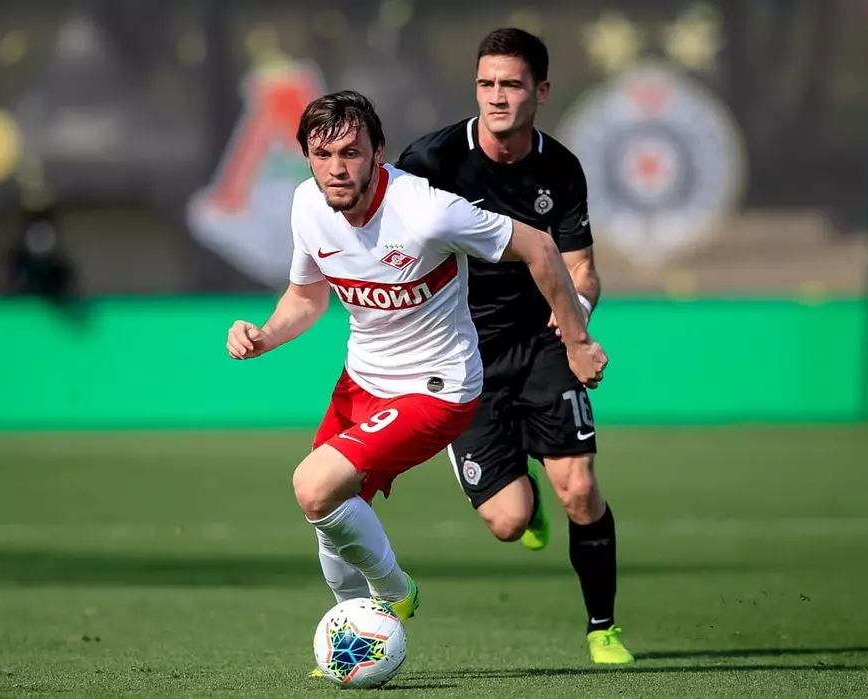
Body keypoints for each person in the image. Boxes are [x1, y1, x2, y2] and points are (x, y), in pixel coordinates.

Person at [225, 90, 607, 661]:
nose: (336, 168)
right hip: (363, 380)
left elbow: (541, 248)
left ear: (378, 152)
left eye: (351, 152)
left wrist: (576, 341)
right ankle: (353, 645)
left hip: (438, 388)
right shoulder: (307, 204)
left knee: (313, 484)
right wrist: (264, 336)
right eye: (322, 154)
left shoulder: (428, 212)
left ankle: (395, 594)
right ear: (307, 157)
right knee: (328, 516)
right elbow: (305, 297)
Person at [395, 28, 634, 664]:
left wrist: (576, 317)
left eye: (511, 84)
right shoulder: (432, 162)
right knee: (508, 521)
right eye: (486, 84)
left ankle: (603, 628)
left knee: (579, 487)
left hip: (542, 343)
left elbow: (582, 269)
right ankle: (521, 493)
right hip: (462, 353)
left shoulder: (561, 168)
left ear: (541, 91)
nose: (497, 96)